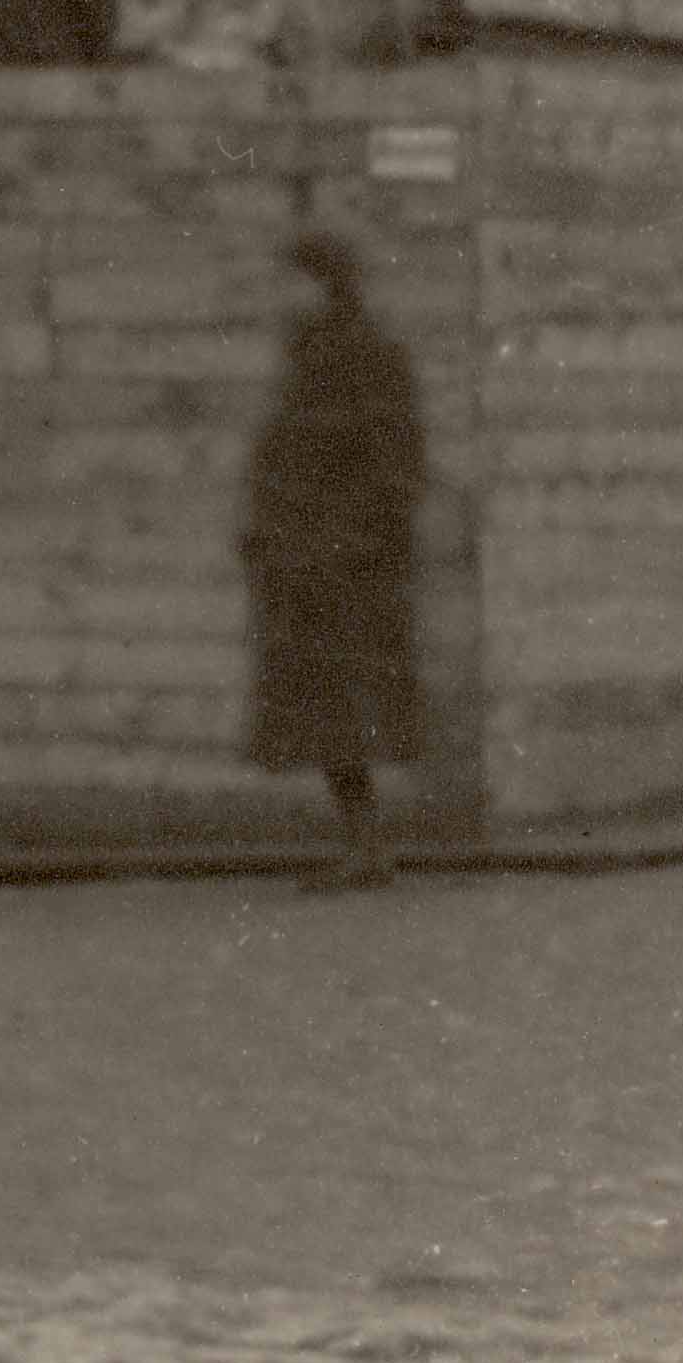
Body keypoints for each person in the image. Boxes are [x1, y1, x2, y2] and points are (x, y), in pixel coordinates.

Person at [240, 227, 428, 881]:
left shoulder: (367, 356)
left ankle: (367, 847)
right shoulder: (307, 357)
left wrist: (340, 543)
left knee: (346, 708)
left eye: (296, 283)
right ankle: (362, 844)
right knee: (325, 713)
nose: (282, 298)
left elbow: (394, 467)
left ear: (326, 285)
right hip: (303, 567)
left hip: (348, 568)